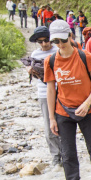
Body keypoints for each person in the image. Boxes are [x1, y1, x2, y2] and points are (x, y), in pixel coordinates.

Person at [43, 19, 91, 180]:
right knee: (68, 152)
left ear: (70, 36)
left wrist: (87, 103)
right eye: (55, 41)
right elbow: (51, 90)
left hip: (87, 110)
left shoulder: (85, 57)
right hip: (63, 111)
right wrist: (51, 118)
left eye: (63, 40)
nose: (60, 45)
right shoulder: (50, 61)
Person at [21, 26, 61, 165]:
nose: (44, 44)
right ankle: (56, 157)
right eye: (40, 41)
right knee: (50, 125)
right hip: (44, 93)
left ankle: (67, 154)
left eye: (46, 40)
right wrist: (29, 70)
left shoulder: (58, 51)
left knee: (64, 125)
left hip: (62, 92)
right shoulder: (35, 54)